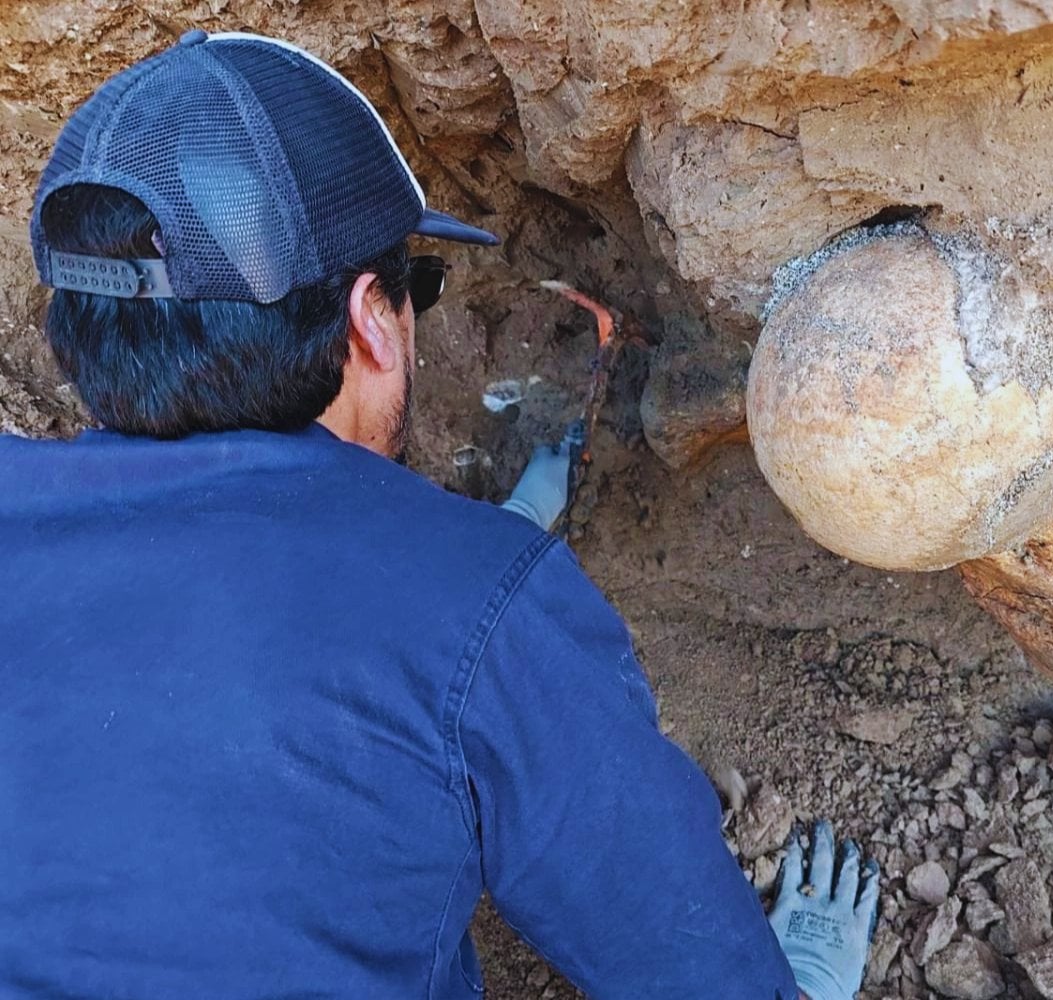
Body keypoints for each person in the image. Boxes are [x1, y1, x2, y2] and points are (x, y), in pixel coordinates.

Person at [0, 30, 879, 1000]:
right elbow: (690, 967)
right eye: (418, 286)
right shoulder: (480, 612)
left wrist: (463, 577)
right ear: (370, 319)